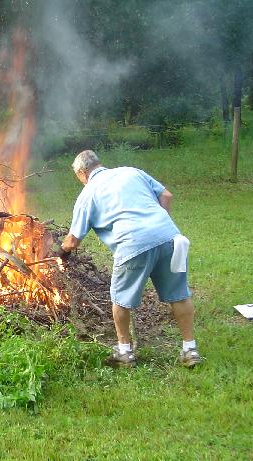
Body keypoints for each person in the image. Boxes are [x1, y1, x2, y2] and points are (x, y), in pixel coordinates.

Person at [58, 150, 203, 368]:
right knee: (179, 296)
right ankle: (190, 350)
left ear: (81, 173)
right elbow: (166, 196)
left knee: (120, 301)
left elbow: (73, 240)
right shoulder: (131, 172)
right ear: (99, 164)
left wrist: (60, 253)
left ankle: (124, 353)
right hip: (171, 238)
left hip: (132, 245)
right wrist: (158, 227)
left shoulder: (88, 193)